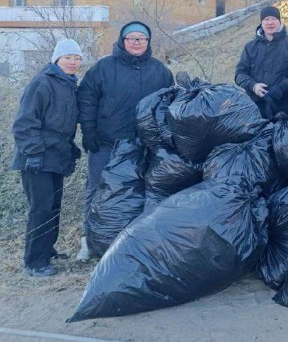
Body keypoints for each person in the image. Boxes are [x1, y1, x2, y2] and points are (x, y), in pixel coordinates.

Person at [77, 21, 173, 260]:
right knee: (97, 189)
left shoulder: (160, 71)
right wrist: (88, 130)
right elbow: (86, 99)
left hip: (143, 147)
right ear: (122, 41)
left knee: (140, 193)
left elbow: (170, 106)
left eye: (142, 38)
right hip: (106, 143)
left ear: (148, 42)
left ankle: (133, 244)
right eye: (131, 38)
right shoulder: (103, 68)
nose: (137, 42)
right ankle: (88, 242)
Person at [12, 39, 83, 277]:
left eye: (77, 58)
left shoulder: (69, 85)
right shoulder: (42, 83)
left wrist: (70, 148)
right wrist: (32, 153)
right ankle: (34, 262)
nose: (72, 62)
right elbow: (24, 124)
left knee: (53, 207)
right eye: (67, 58)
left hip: (56, 157)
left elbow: (62, 125)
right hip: (36, 159)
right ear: (56, 59)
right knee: (40, 209)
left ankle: (47, 249)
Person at [236, 5, 288, 119]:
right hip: (255, 108)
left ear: (280, 22)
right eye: (266, 19)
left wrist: (282, 87)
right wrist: (253, 86)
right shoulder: (250, 47)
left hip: (284, 107)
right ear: (261, 23)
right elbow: (240, 74)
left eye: (273, 19)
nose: (270, 22)